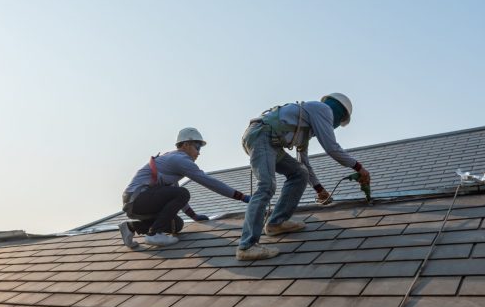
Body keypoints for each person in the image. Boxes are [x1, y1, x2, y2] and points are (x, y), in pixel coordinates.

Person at [236, 93, 371, 261]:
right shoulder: (323, 109)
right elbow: (332, 148)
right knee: (266, 186)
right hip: (262, 136)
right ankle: (246, 246)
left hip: (270, 140)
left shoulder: (305, 124)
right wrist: (359, 168)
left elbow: (304, 163)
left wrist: (319, 189)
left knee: (299, 173)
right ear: (340, 114)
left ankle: (276, 223)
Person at [120, 127, 250, 248]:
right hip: (136, 199)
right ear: (186, 144)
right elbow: (209, 182)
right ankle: (154, 234)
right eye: (197, 147)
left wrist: (194, 216)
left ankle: (130, 227)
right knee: (183, 193)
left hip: (138, 201)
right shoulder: (180, 160)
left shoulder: (171, 159)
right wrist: (242, 197)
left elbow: (171, 192)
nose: (199, 153)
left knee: (176, 225)